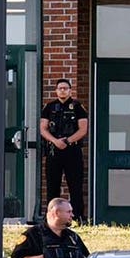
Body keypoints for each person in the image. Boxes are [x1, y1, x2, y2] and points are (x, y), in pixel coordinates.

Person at [39, 79, 89, 222]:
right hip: (54, 151)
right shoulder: (49, 107)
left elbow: (83, 129)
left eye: (65, 88)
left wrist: (67, 141)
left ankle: (77, 217)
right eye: (60, 88)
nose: (62, 91)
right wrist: (55, 141)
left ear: (70, 90)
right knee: (52, 186)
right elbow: (43, 128)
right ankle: (50, 219)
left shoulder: (78, 107)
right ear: (56, 90)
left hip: (72, 151)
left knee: (75, 185)